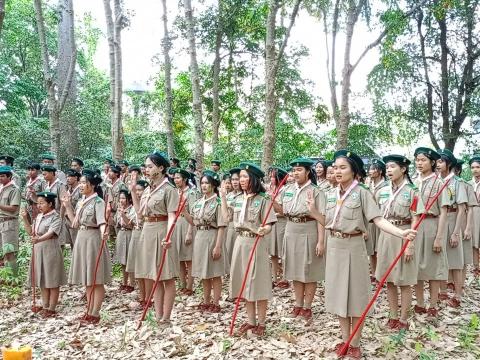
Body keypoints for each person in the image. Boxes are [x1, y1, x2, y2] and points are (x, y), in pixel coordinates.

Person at [306, 150, 417, 358]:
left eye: (343, 167)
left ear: (354, 170)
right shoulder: (330, 194)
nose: (337, 171)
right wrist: (313, 212)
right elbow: (329, 222)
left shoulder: (362, 193)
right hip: (334, 247)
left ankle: (355, 342)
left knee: (356, 296)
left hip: (354, 246)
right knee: (339, 295)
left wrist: (401, 233)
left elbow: (378, 220)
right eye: (335, 167)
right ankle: (345, 339)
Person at [131, 152, 179, 327]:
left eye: (150, 166)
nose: (147, 169)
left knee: (166, 277)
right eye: (146, 166)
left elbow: (172, 215)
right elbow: (140, 213)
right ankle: (158, 315)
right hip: (147, 230)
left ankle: (166, 317)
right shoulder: (149, 188)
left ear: (161, 168)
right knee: (154, 276)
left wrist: (169, 235)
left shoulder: (169, 189)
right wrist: (133, 191)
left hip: (161, 231)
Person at [229, 162, 277, 336]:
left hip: (256, 242)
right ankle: (250, 321)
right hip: (240, 242)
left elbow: (270, 222)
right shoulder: (238, 199)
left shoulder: (263, 200)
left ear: (254, 179)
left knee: (259, 282)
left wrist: (266, 229)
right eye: (240, 177)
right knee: (244, 282)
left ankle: (262, 323)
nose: (241, 180)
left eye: (245, 177)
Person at [275, 157, 325, 322]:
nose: (295, 173)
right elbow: (282, 211)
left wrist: (320, 241)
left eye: (299, 170)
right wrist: (271, 200)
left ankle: (308, 306)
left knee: (309, 269)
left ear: (307, 171)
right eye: (294, 170)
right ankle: (298, 303)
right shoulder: (287, 189)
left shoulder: (316, 191)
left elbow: (320, 217)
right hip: (291, 229)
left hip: (308, 229)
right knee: (295, 268)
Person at [375, 155, 419, 331]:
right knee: (389, 279)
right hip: (387, 234)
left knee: (404, 279)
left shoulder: (412, 191)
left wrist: (410, 244)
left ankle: (403, 318)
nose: (389, 170)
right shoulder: (384, 190)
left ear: (403, 169)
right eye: (387, 167)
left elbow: (416, 217)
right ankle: (392, 315)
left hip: (404, 233)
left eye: (393, 167)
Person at [62, 169, 111, 325]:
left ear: (92, 185)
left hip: (93, 239)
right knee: (88, 279)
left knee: (96, 279)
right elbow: (74, 223)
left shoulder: (98, 202)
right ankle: (89, 310)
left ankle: (95, 313)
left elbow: (102, 221)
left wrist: (104, 232)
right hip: (82, 238)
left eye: (84, 183)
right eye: (81, 182)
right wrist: (68, 205)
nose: (81, 185)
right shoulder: (82, 201)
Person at [413, 147, 448, 317]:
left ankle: (433, 304)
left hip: (432, 225)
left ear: (432, 162)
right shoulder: (413, 182)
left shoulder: (439, 183)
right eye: (417, 160)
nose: (419, 163)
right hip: (415, 226)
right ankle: (419, 302)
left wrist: (439, 237)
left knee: (433, 269)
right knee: (415, 267)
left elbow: (444, 212)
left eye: (423, 160)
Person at [184, 170, 226, 313]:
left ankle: (216, 302)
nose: (204, 185)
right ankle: (206, 300)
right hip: (200, 237)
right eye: (202, 183)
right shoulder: (198, 203)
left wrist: (218, 246)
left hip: (213, 236)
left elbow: (221, 225)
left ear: (213, 185)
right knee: (204, 272)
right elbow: (194, 222)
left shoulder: (218, 202)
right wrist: (184, 212)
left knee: (215, 272)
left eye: (207, 183)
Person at [22, 191, 66, 317]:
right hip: (38, 249)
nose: (39, 206)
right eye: (38, 203)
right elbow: (31, 232)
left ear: (50, 204)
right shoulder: (39, 217)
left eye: (42, 203)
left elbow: (51, 232)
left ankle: (52, 308)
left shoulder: (55, 217)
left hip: (50, 249)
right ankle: (45, 305)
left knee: (52, 279)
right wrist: (25, 218)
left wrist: (39, 239)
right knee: (42, 278)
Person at [437, 149, 467, 308]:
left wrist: (456, 232)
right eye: (437, 161)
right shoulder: (435, 181)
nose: (438, 164)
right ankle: (442, 291)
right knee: (440, 258)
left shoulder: (457, 182)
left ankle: (458, 295)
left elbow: (462, 209)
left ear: (448, 164)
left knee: (455, 260)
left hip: (452, 218)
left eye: (441, 161)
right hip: (438, 221)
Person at [172, 168, 200, 295]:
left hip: (187, 223)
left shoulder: (191, 193)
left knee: (188, 257)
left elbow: (193, 214)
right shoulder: (174, 192)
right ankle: (182, 284)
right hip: (176, 224)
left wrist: (189, 232)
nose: (176, 180)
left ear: (184, 179)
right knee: (179, 257)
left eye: (178, 178)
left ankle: (190, 286)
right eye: (175, 177)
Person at [126, 179, 148, 307]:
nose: (138, 193)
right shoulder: (133, 205)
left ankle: (148, 296)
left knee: (145, 267)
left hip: (145, 233)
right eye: (137, 190)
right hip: (135, 233)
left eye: (140, 190)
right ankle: (142, 295)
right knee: (137, 267)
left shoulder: (146, 202)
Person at [367, 159, 389, 280]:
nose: (371, 171)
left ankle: (383, 272)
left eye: (373, 169)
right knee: (372, 249)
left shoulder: (386, 186)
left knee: (381, 248)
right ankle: (374, 272)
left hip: (381, 220)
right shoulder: (369, 185)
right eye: (370, 168)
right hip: (370, 221)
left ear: (380, 171)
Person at [266, 166, 289, 288]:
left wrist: (272, 200)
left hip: (281, 222)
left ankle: (285, 277)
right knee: (273, 251)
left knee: (283, 250)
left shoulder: (285, 190)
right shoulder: (269, 189)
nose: (271, 178)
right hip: (272, 223)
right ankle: (274, 277)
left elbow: (284, 210)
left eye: (273, 176)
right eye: (270, 176)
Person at [455, 159, 476, 286]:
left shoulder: (466, 185)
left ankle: (460, 285)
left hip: (462, 222)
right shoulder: (442, 184)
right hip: (447, 221)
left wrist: (468, 228)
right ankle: (449, 284)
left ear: (457, 170)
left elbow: (471, 208)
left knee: (461, 257)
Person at [220, 168, 243, 277]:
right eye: (233, 179)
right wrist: (223, 198)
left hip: (240, 229)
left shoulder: (246, 195)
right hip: (228, 227)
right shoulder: (228, 196)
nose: (234, 182)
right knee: (229, 252)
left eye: (237, 179)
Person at [0, 166, 21, 275]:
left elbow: (14, 208)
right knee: (2, 253)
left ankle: (13, 277)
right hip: (1, 222)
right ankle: (5, 277)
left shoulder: (14, 189)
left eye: (3, 176)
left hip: (9, 223)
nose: (0, 178)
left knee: (9, 252)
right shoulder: (1, 188)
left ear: (9, 176)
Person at [115, 189, 135, 293]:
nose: (121, 200)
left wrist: (123, 215)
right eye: (120, 198)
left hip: (129, 233)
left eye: (123, 198)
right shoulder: (119, 209)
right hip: (121, 233)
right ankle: (124, 282)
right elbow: (116, 223)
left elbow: (131, 225)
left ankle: (132, 283)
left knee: (129, 259)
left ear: (128, 199)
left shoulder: (132, 209)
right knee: (122, 260)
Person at [61, 169, 82, 248]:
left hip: (76, 220)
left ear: (76, 178)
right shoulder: (68, 190)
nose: (67, 179)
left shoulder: (80, 190)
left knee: (78, 244)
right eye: (66, 177)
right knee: (72, 243)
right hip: (68, 220)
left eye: (70, 177)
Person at [106, 165, 127, 239]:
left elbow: (125, 200)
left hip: (118, 212)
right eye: (108, 171)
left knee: (118, 235)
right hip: (110, 213)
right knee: (111, 236)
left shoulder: (121, 185)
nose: (109, 173)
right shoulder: (109, 185)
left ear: (117, 174)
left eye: (111, 171)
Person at [469, 156, 480, 276]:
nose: (475, 169)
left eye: (477, 167)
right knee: (474, 241)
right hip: (472, 213)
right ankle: (476, 267)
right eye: (472, 167)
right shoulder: (468, 183)